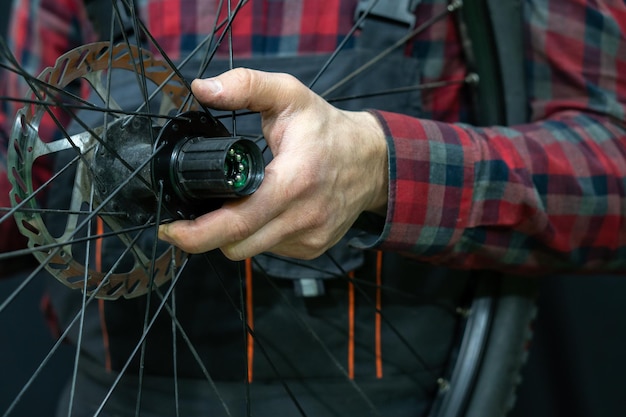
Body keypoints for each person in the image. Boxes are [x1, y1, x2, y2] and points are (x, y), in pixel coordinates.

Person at [0, 0, 624, 416]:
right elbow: (20, 154)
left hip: (385, 395)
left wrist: (381, 167)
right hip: (116, 392)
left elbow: (611, 167)